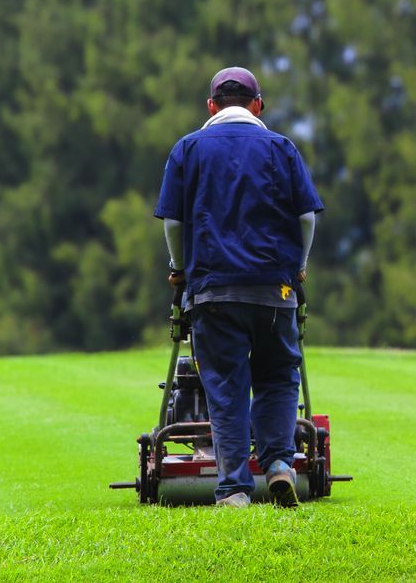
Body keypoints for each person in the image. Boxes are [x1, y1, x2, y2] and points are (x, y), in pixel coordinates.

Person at [153, 66, 323, 508]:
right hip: (275, 291)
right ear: (258, 105)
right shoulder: (281, 148)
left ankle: (233, 489)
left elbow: (174, 221)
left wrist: (180, 268)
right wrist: (298, 266)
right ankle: (280, 465)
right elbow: (306, 217)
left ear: (211, 106)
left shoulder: (187, 149)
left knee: (225, 384)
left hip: (214, 290)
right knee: (279, 375)